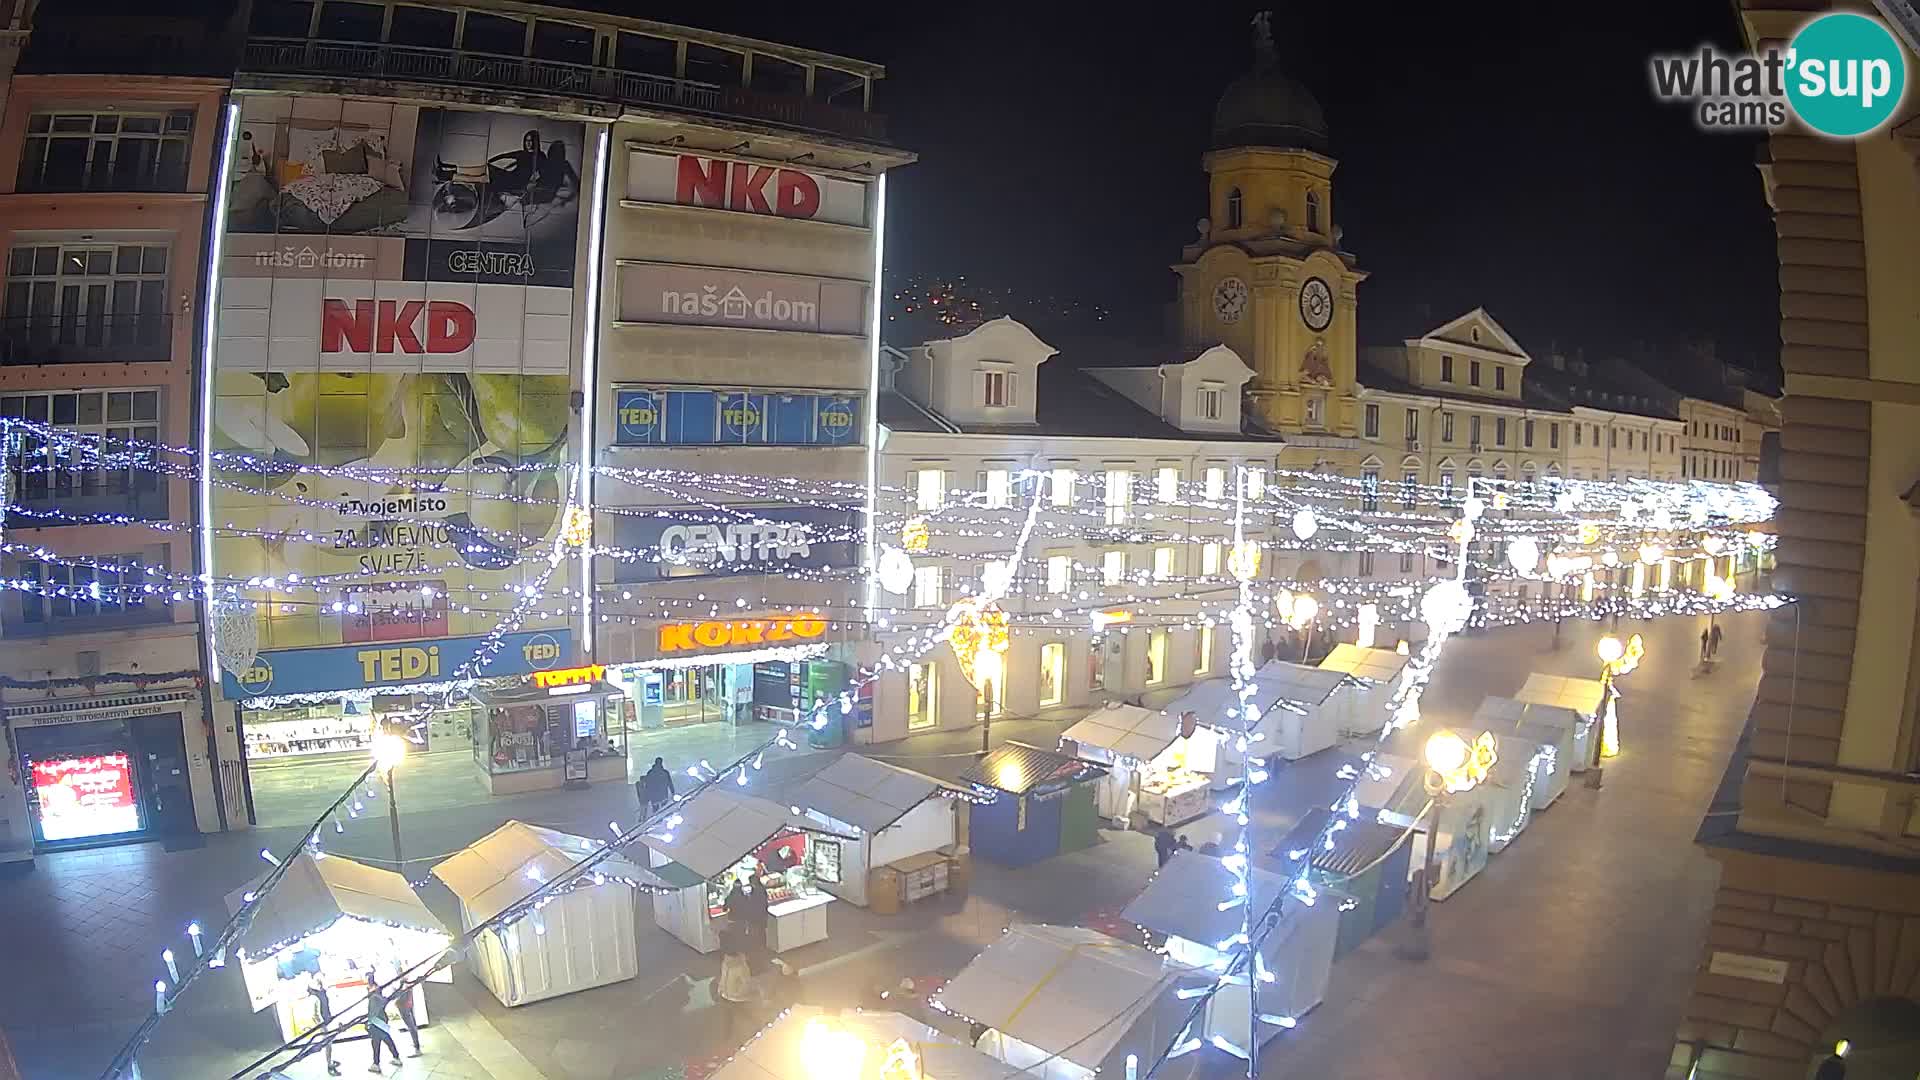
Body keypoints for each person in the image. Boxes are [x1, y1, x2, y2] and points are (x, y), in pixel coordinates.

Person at [361, 971, 404, 1073]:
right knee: (382, 1039)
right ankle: (393, 1058)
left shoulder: (374, 995)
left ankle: (377, 1063)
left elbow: (378, 1005)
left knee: (378, 1041)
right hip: (380, 1020)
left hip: (376, 1021)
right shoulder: (376, 992)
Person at [714, 944, 757, 1042]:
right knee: (728, 1018)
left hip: (736, 999)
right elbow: (723, 976)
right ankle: (726, 1037)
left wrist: (737, 992)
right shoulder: (725, 963)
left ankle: (756, 1026)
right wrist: (720, 987)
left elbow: (746, 983)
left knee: (742, 1014)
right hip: (725, 996)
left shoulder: (741, 967)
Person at [302, 972, 342, 1076]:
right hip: (323, 1023)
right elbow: (314, 1015)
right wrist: (321, 1026)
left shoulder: (322, 992)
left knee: (330, 1044)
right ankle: (329, 1065)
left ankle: (331, 1061)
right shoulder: (314, 997)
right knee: (328, 1044)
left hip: (328, 1020)